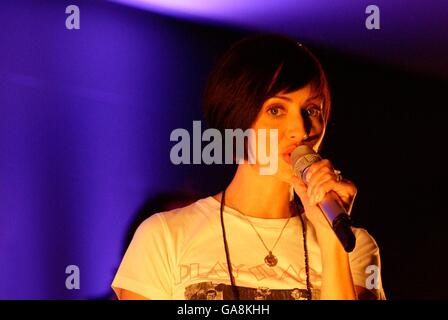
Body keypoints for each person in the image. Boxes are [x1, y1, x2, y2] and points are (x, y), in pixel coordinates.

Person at [111, 34, 386, 300]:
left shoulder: (354, 245)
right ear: (237, 120)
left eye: (312, 110)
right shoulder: (165, 235)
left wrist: (331, 240)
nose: (300, 129)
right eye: (276, 110)